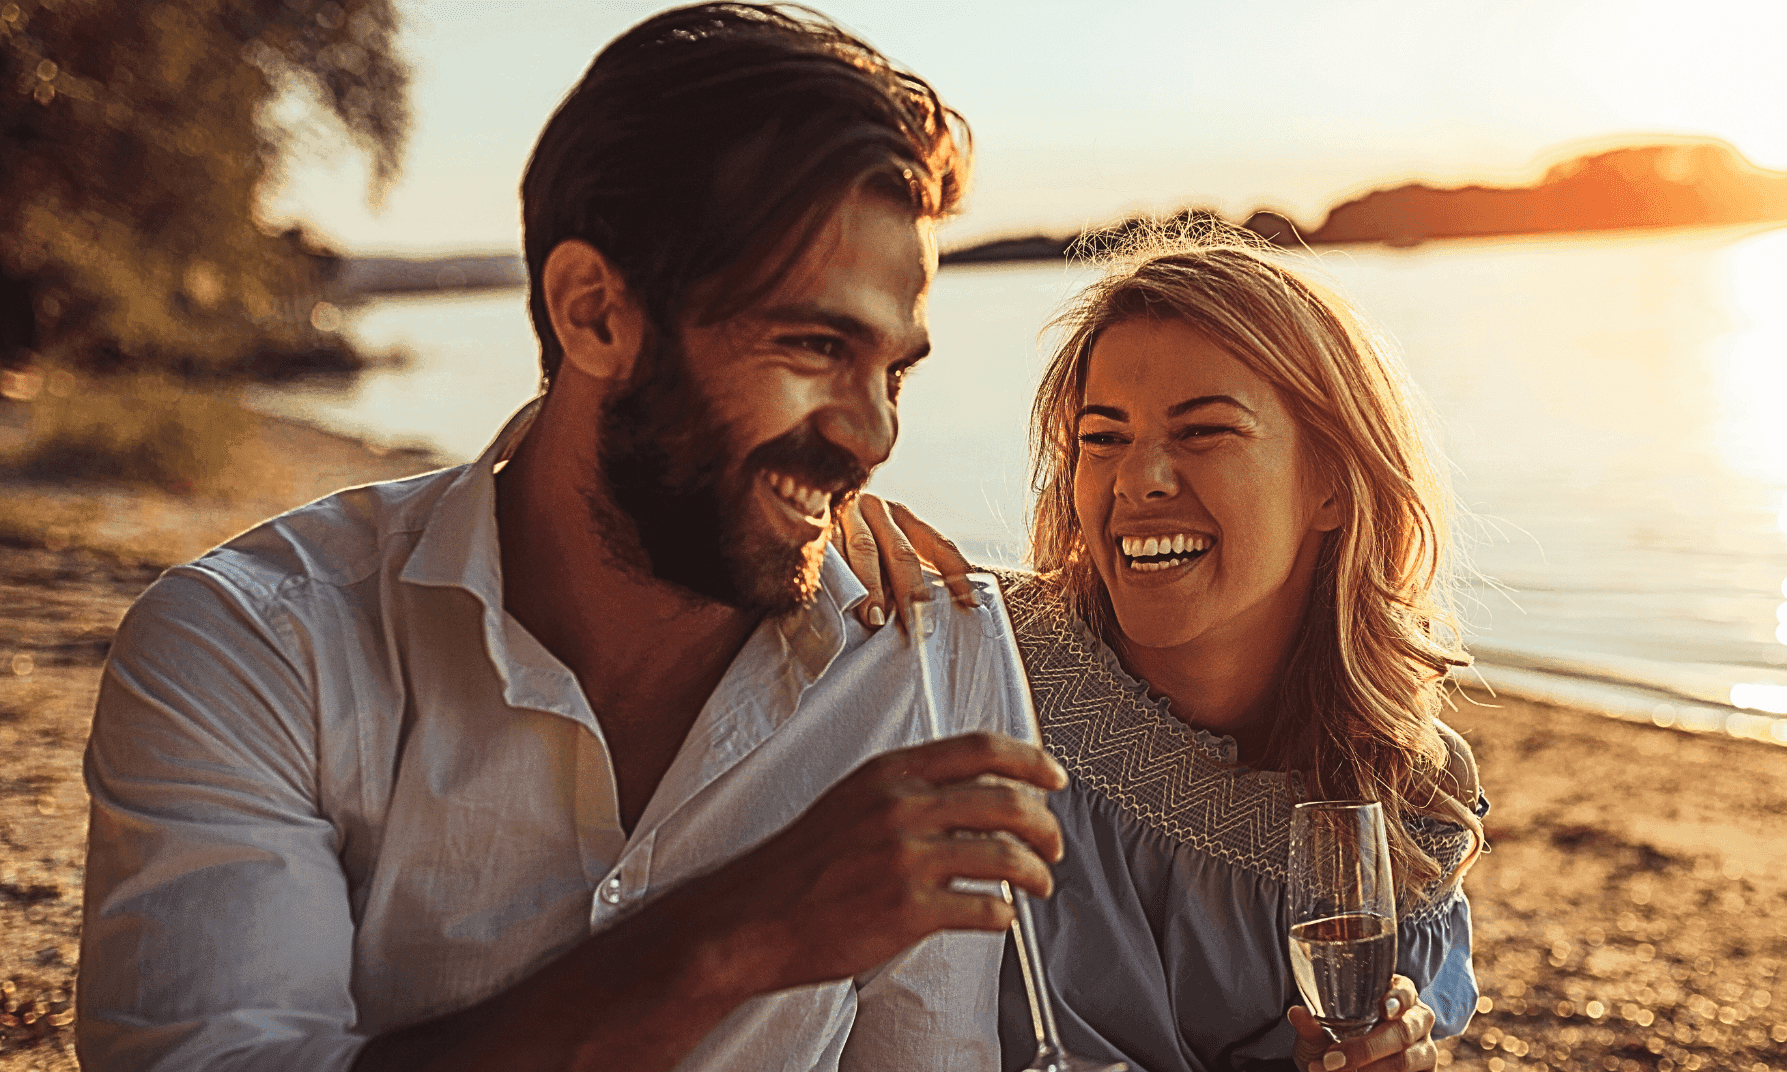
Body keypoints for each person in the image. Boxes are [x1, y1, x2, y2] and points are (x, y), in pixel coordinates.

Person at [75, 7, 1066, 1072]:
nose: (871, 437)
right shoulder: (251, 649)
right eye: (815, 345)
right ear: (593, 312)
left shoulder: (928, 662)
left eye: (894, 370)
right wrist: (738, 935)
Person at [846, 230, 1485, 1072]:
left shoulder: (1403, 788)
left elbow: (1412, 1023)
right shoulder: (978, 678)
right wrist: (824, 537)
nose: (1138, 480)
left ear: (1334, 481)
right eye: (1102, 438)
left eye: (1204, 432)